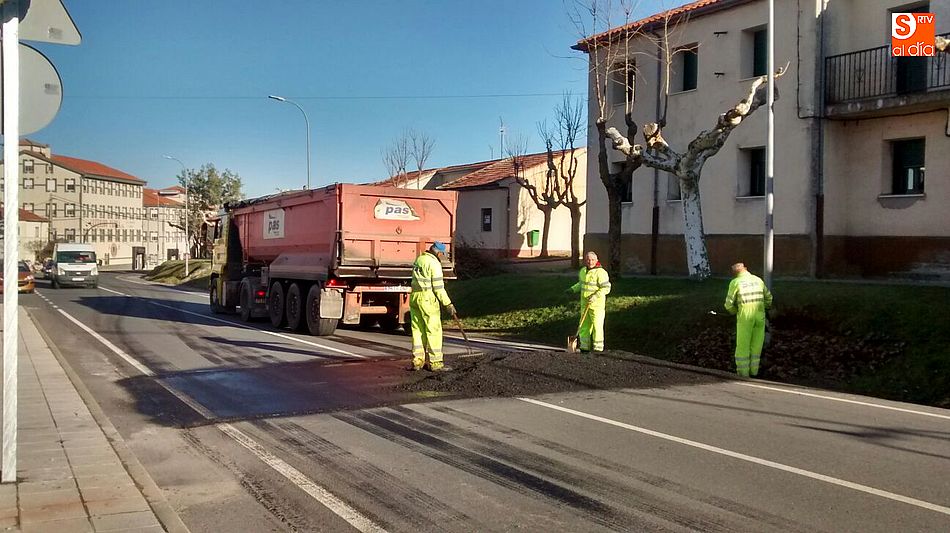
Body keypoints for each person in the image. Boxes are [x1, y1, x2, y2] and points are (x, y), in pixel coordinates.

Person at [408, 241, 456, 372]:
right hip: (427, 299)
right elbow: (438, 288)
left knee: (417, 330)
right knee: (433, 330)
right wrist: (448, 303)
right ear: (439, 253)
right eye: (442, 254)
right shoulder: (434, 264)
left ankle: (417, 361)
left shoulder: (420, 259)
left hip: (415, 297)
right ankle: (435, 363)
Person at [724, 262, 773, 377]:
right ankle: (754, 371)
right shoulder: (758, 280)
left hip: (745, 317)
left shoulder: (735, 282)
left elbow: (728, 305)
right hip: (760, 316)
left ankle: (743, 373)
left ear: (735, 273)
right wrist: (765, 307)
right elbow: (769, 298)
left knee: (743, 345)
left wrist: (735, 312)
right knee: (756, 345)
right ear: (746, 269)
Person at [567, 251, 611, 352]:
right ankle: (584, 347)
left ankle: (598, 349)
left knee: (597, 327)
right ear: (585, 260)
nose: (590, 262)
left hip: (597, 306)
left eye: (592, 260)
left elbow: (606, 288)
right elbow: (581, 284)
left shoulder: (601, 273)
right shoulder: (583, 271)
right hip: (585, 304)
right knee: (584, 326)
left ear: (596, 260)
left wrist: (595, 296)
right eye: (588, 260)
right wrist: (572, 289)